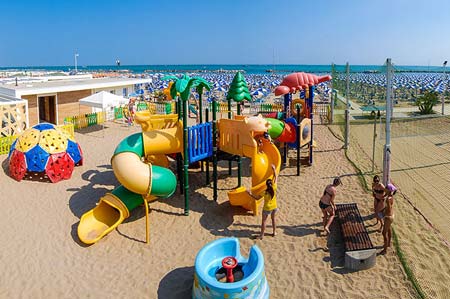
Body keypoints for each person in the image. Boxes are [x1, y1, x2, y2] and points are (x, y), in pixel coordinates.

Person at [247, 164, 278, 239]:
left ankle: (262, 235)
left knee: (264, 221)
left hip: (267, 208)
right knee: (273, 219)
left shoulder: (264, 192)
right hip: (274, 206)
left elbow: (257, 198)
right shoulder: (274, 187)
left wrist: (250, 194)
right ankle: (274, 232)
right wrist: (274, 169)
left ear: (267, 185)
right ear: (272, 184)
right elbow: (276, 177)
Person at [381, 183, 397, 255]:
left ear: (388, 190)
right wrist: (384, 209)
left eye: (386, 188)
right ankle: (388, 244)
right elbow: (389, 207)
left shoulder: (387, 199)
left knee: (384, 233)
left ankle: (385, 250)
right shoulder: (391, 196)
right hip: (392, 216)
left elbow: (389, 208)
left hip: (389, 217)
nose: (385, 189)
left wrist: (385, 215)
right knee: (389, 229)